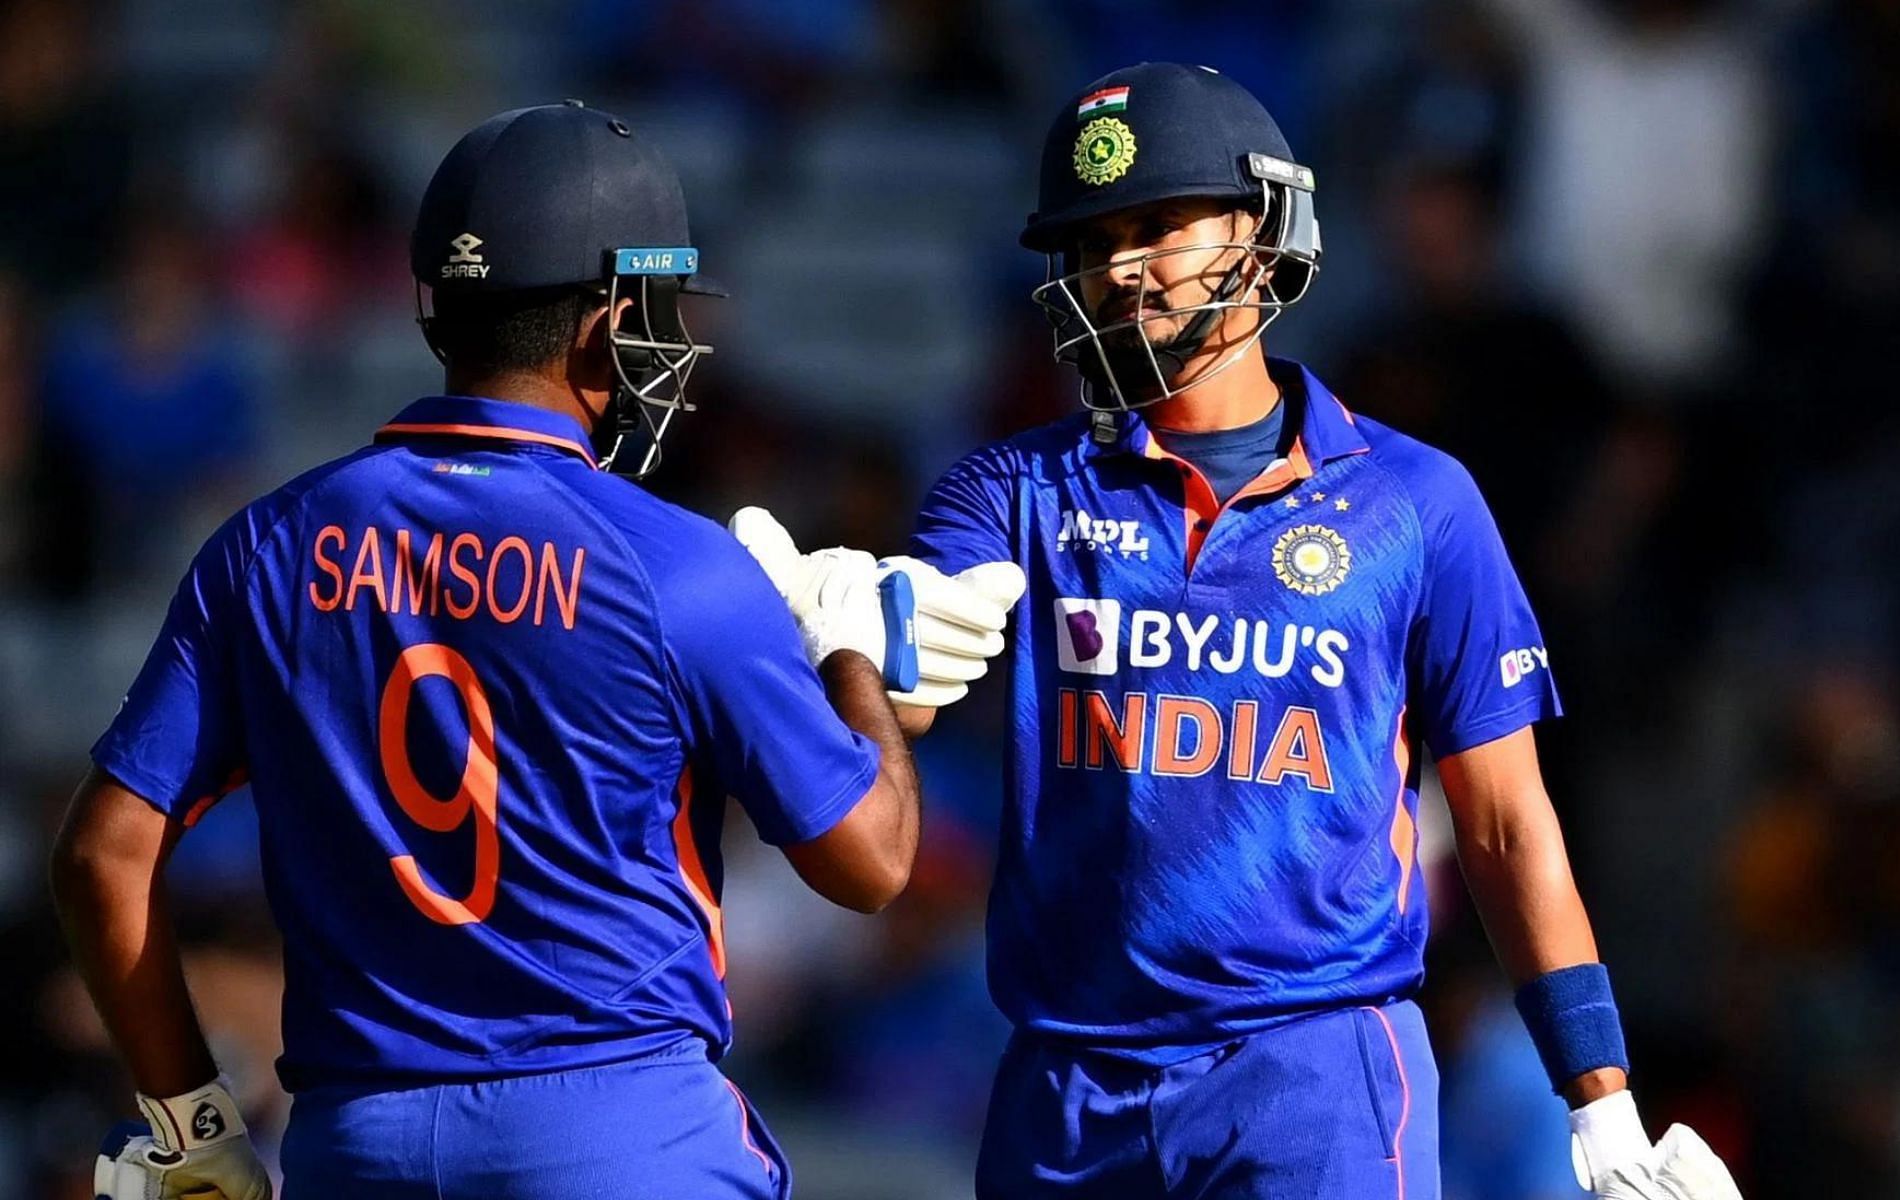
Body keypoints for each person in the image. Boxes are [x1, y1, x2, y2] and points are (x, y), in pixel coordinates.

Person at [736, 63, 1743, 1200]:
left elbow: (1506, 822)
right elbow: (915, 688)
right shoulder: (1008, 490)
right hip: (1070, 1087)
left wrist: (1600, 1100)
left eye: (1157, 226)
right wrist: (855, 635)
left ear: (1262, 233)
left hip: (1311, 1076)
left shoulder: (1416, 502)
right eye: (1090, 241)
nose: (1119, 268)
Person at [52, 100, 1019, 1200]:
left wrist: (194, 1126)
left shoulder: (267, 544)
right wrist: (846, 648)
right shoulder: (683, 566)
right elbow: (870, 861)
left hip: (357, 1143)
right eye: (658, 308)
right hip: (620, 1132)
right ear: (606, 324)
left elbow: (101, 855)